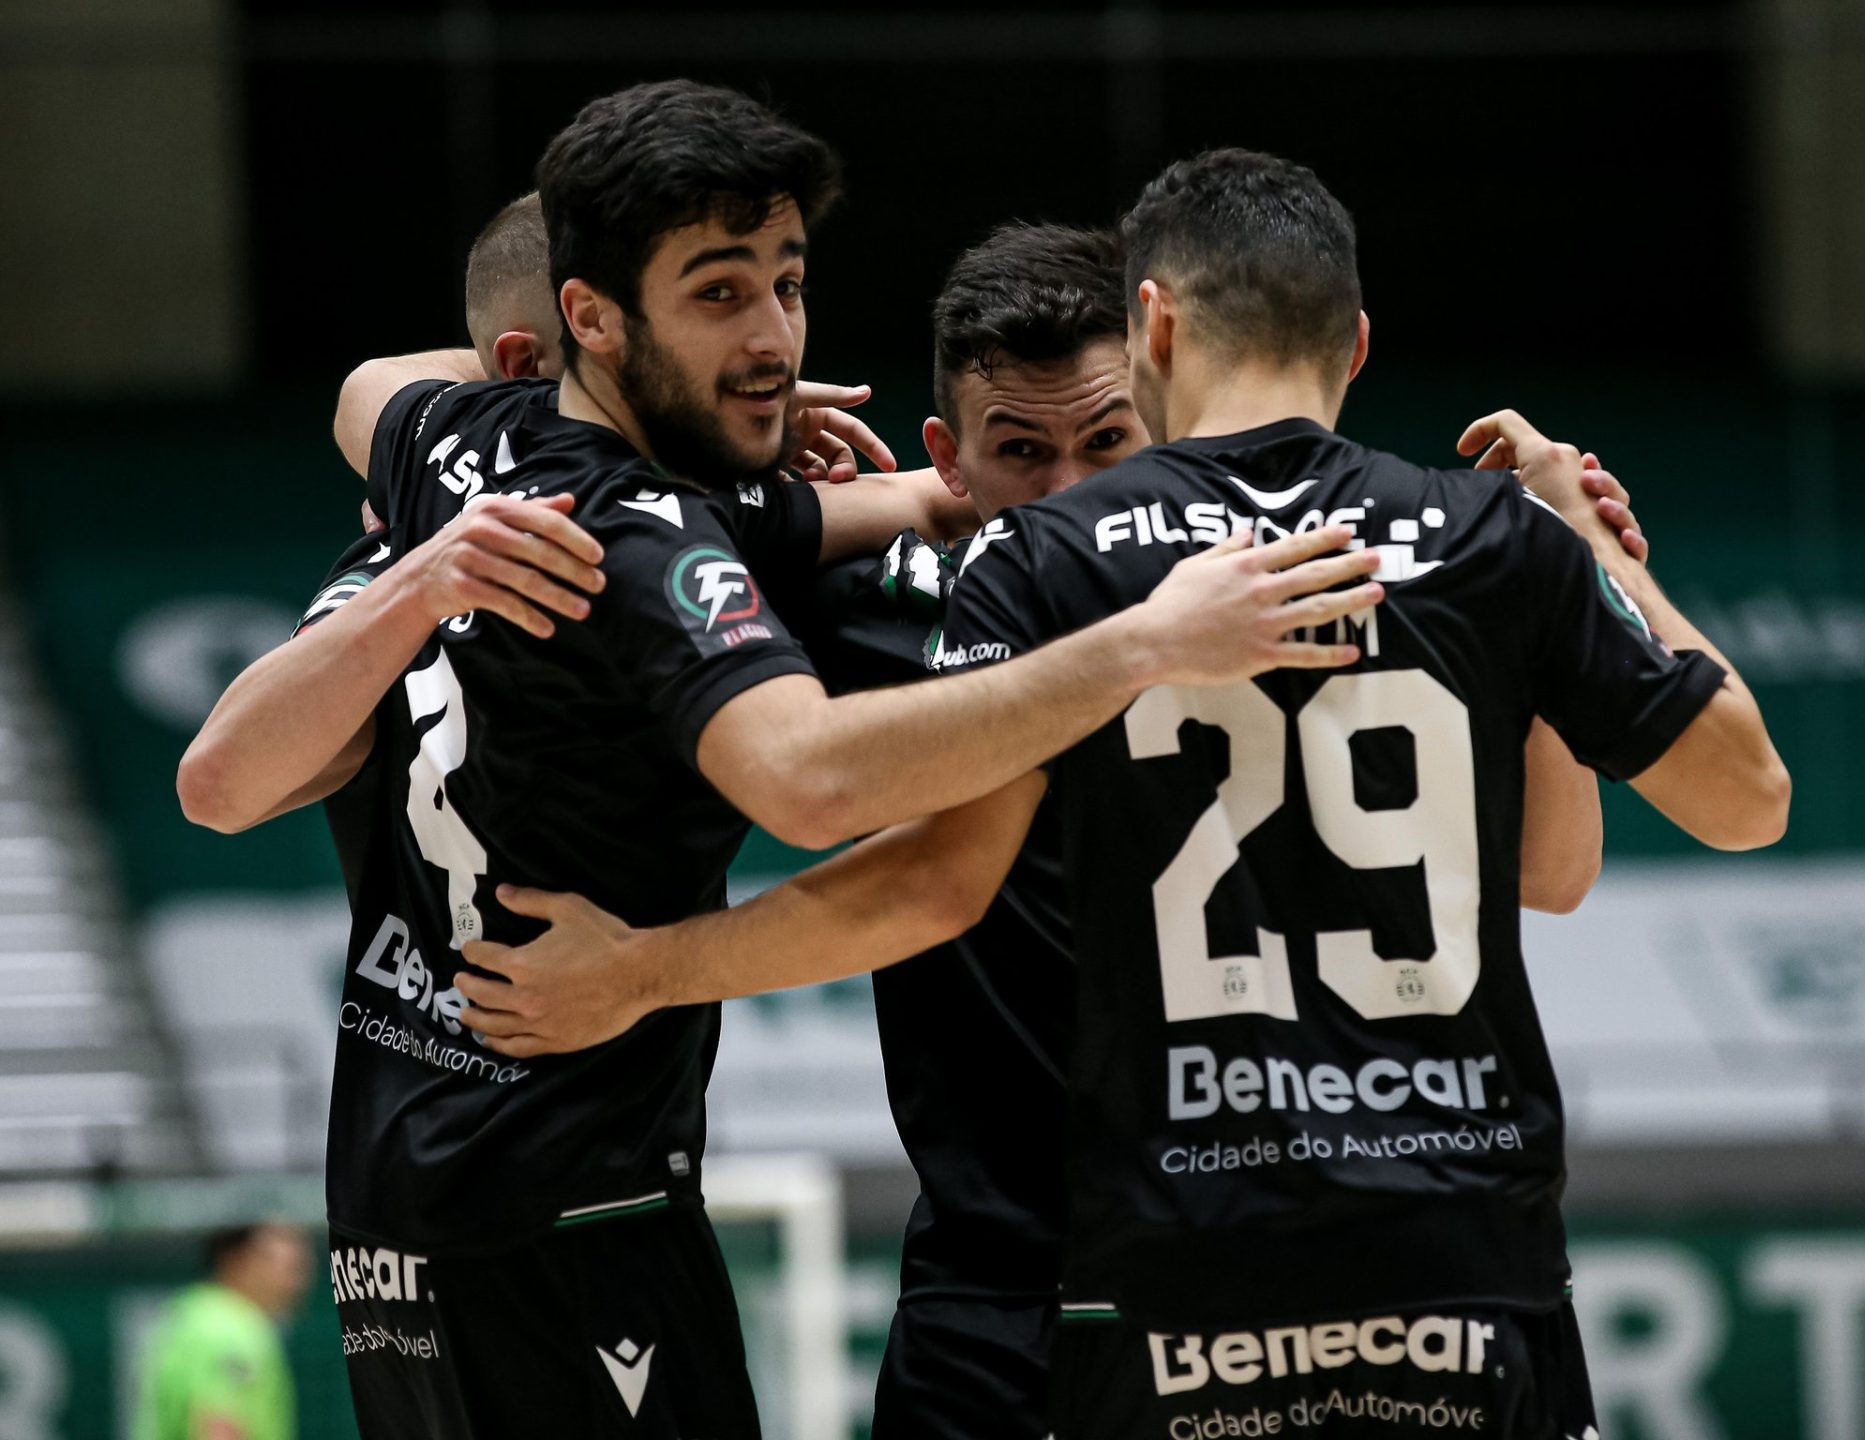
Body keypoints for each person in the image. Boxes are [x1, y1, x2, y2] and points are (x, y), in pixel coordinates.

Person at [461, 150, 1788, 1439]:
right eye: (1017, 450)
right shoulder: (1471, 543)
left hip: (1171, 1255)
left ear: (1153, 346)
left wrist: (643, 970)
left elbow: (918, 865)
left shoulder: (1050, 567)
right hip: (1357, 1246)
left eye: (1100, 437)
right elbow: (1723, 802)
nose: (1068, 479)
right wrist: (1582, 564)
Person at [183, 83, 1375, 1437]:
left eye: (787, 288)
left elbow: (369, 398)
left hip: (411, 1205)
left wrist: (738, 434)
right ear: (588, 320)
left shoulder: (477, 461)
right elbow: (827, 796)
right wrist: (1147, 641)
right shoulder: (665, 538)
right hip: (608, 1200)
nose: (770, 335)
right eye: (719, 297)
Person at [134, 1222, 311, 1440]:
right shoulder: (230, 1330)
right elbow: (218, 1427)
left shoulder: (193, 1317)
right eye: (290, 1267)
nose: (299, 1283)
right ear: (239, 1261)